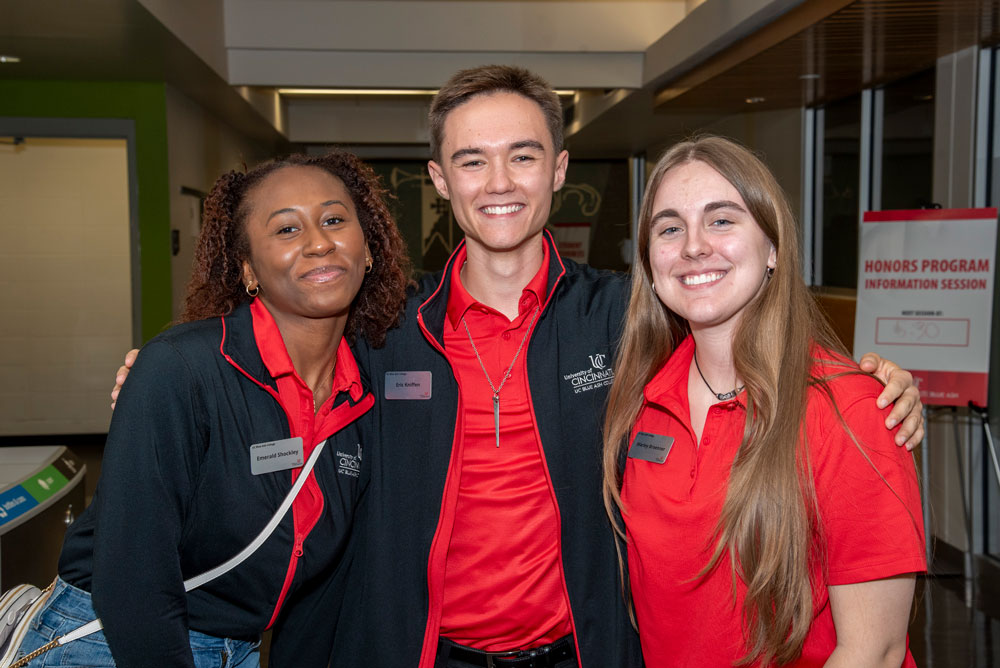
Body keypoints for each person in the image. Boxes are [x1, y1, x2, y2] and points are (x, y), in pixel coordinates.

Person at [113, 67, 925, 668]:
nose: (498, 183)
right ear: (439, 182)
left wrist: (874, 382)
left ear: (560, 172)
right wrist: (166, 380)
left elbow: (744, 329)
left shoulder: (630, 318)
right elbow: (274, 359)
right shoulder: (381, 326)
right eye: (471, 161)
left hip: (586, 651)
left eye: (524, 157)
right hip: (417, 651)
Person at [15, 151, 410, 668]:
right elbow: (133, 571)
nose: (319, 242)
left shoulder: (362, 387)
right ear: (248, 268)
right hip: (110, 642)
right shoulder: (183, 368)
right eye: (287, 230)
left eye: (335, 220)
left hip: (237, 649)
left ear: (368, 248)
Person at [602, 136, 925, 667]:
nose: (693, 245)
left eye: (722, 220)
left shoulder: (850, 410)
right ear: (650, 266)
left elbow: (876, 651)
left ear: (773, 247)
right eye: (669, 228)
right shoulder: (640, 401)